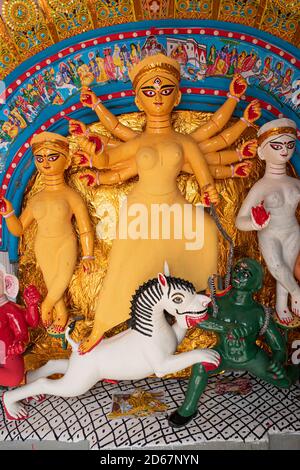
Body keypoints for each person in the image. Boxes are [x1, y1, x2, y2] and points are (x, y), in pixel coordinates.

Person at [73, 54, 221, 354]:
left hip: (175, 207)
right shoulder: (139, 142)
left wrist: (209, 192)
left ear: (177, 96)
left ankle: (202, 301)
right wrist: (94, 149)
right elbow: (107, 160)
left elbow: (205, 179)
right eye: (149, 92)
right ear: (138, 101)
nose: (157, 98)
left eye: (165, 91)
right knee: (124, 267)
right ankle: (101, 327)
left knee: (206, 231)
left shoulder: (185, 143)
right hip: (141, 208)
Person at [168, 258, 298, 428]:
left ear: (257, 285)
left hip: (252, 358)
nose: (240, 275)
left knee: (284, 382)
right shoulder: (217, 303)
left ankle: (297, 369)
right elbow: (197, 319)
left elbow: (279, 347)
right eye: (237, 270)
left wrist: (277, 361)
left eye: (247, 273)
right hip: (223, 354)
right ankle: (188, 409)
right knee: (200, 366)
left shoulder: (259, 313)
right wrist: (227, 327)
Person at [0, 132, 94, 333]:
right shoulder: (36, 199)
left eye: (52, 157)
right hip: (43, 244)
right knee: (52, 280)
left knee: (62, 277)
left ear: (67, 161)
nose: (46, 163)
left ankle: (46, 306)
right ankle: (61, 312)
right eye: (40, 158)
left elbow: (85, 228)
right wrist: (8, 213)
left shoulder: (71, 196)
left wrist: (88, 254)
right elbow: (18, 229)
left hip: (66, 242)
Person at [236, 118, 299, 325]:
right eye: (277, 145)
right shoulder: (261, 187)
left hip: (292, 231)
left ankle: (283, 305)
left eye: (289, 145)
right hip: (270, 232)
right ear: (262, 153)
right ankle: (296, 293)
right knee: (277, 266)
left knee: (287, 268)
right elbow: (240, 221)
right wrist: (254, 224)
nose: (284, 150)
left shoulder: (295, 183)